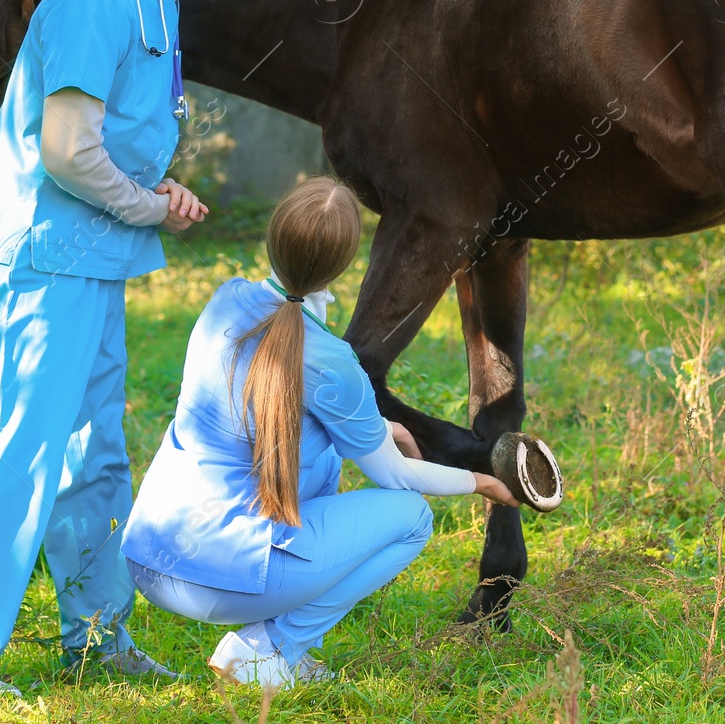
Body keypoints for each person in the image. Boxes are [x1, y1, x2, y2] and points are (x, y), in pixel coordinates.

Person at [0, 0, 272, 697]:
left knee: (95, 455)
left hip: (91, 257)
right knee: (20, 455)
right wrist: (149, 204)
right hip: (41, 257)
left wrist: (157, 186)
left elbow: (105, 137)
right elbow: (67, 150)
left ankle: (97, 635)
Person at [121, 176, 519, 687]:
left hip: (149, 557)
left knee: (315, 452)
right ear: (346, 262)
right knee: (412, 517)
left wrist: (383, 427)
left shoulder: (225, 301)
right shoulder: (334, 361)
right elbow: (396, 480)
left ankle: (272, 644)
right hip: (216, 583)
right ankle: (269, 648)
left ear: (274, 238)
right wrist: (482, 482)